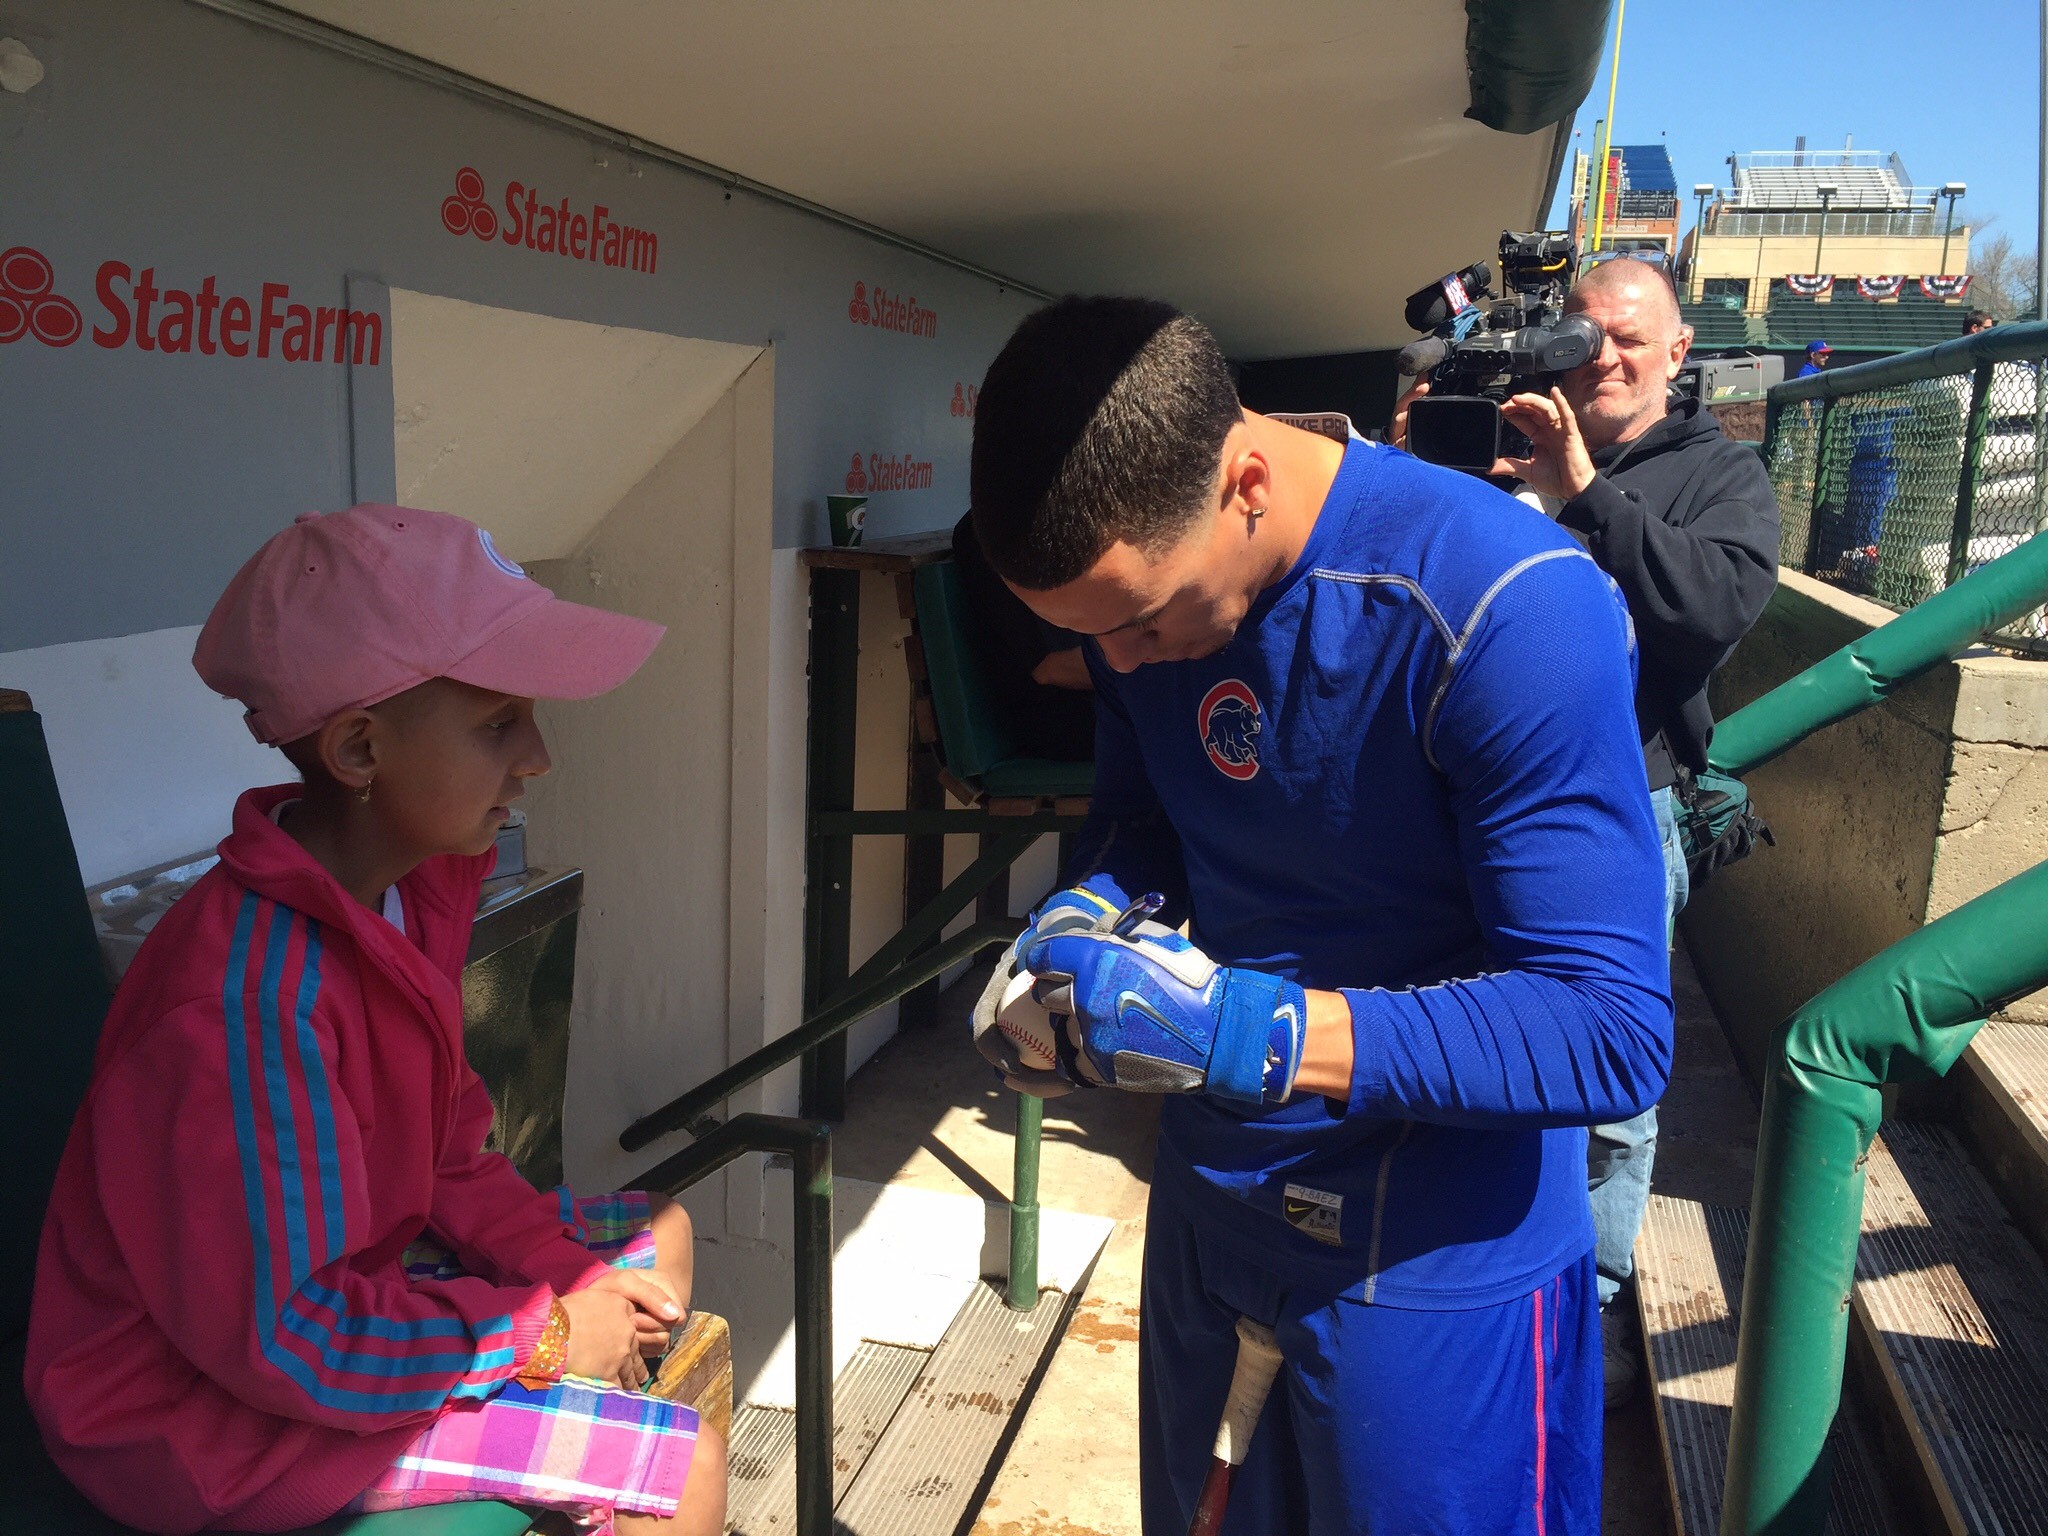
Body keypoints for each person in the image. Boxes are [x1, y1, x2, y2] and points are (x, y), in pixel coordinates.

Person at [970, 296, 1672, 1534]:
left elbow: (1605, 1028)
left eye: (1138, 620)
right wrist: (1088, 914)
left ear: (1244, 482)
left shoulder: (1503, 604)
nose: (1118, 665)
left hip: (1434, 1261)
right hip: (1211, 1215)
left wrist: (1254, 1034)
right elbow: (1142, 824)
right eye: (1085, 637)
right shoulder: (1146, 600)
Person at [26, 505, 726, 1536]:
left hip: (333, 1288)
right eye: (498, 724)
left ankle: (565, 1464)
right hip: (190, 1409)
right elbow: (287, 1339)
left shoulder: (403, 895)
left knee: (656, 1235)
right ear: (360, 748)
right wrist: (541, 1338)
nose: (537, 756)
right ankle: (596, 1472)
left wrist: (560, 1286)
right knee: (680, 1464)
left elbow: (444, 1156)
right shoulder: (247, 1007)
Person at [1397, 256, 1781, 1398]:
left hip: (1620, 804)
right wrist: (1418, 462)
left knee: (1604, 1076)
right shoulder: (1498, 443)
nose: (1604, 356)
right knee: (1459, 1020)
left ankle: (1589, 1304)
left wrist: (1580, 492)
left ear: (1677, 353)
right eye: (1585, 335)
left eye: (1631, 338)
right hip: (1467, 792)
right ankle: (1471, 1261)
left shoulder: (1720, 473)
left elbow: (1712, 610)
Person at [950, 510, 1095, 761]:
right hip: (1069, 717)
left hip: (1114, 699)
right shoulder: (997, 529)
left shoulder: (1078, 515)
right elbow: (1053, 669)